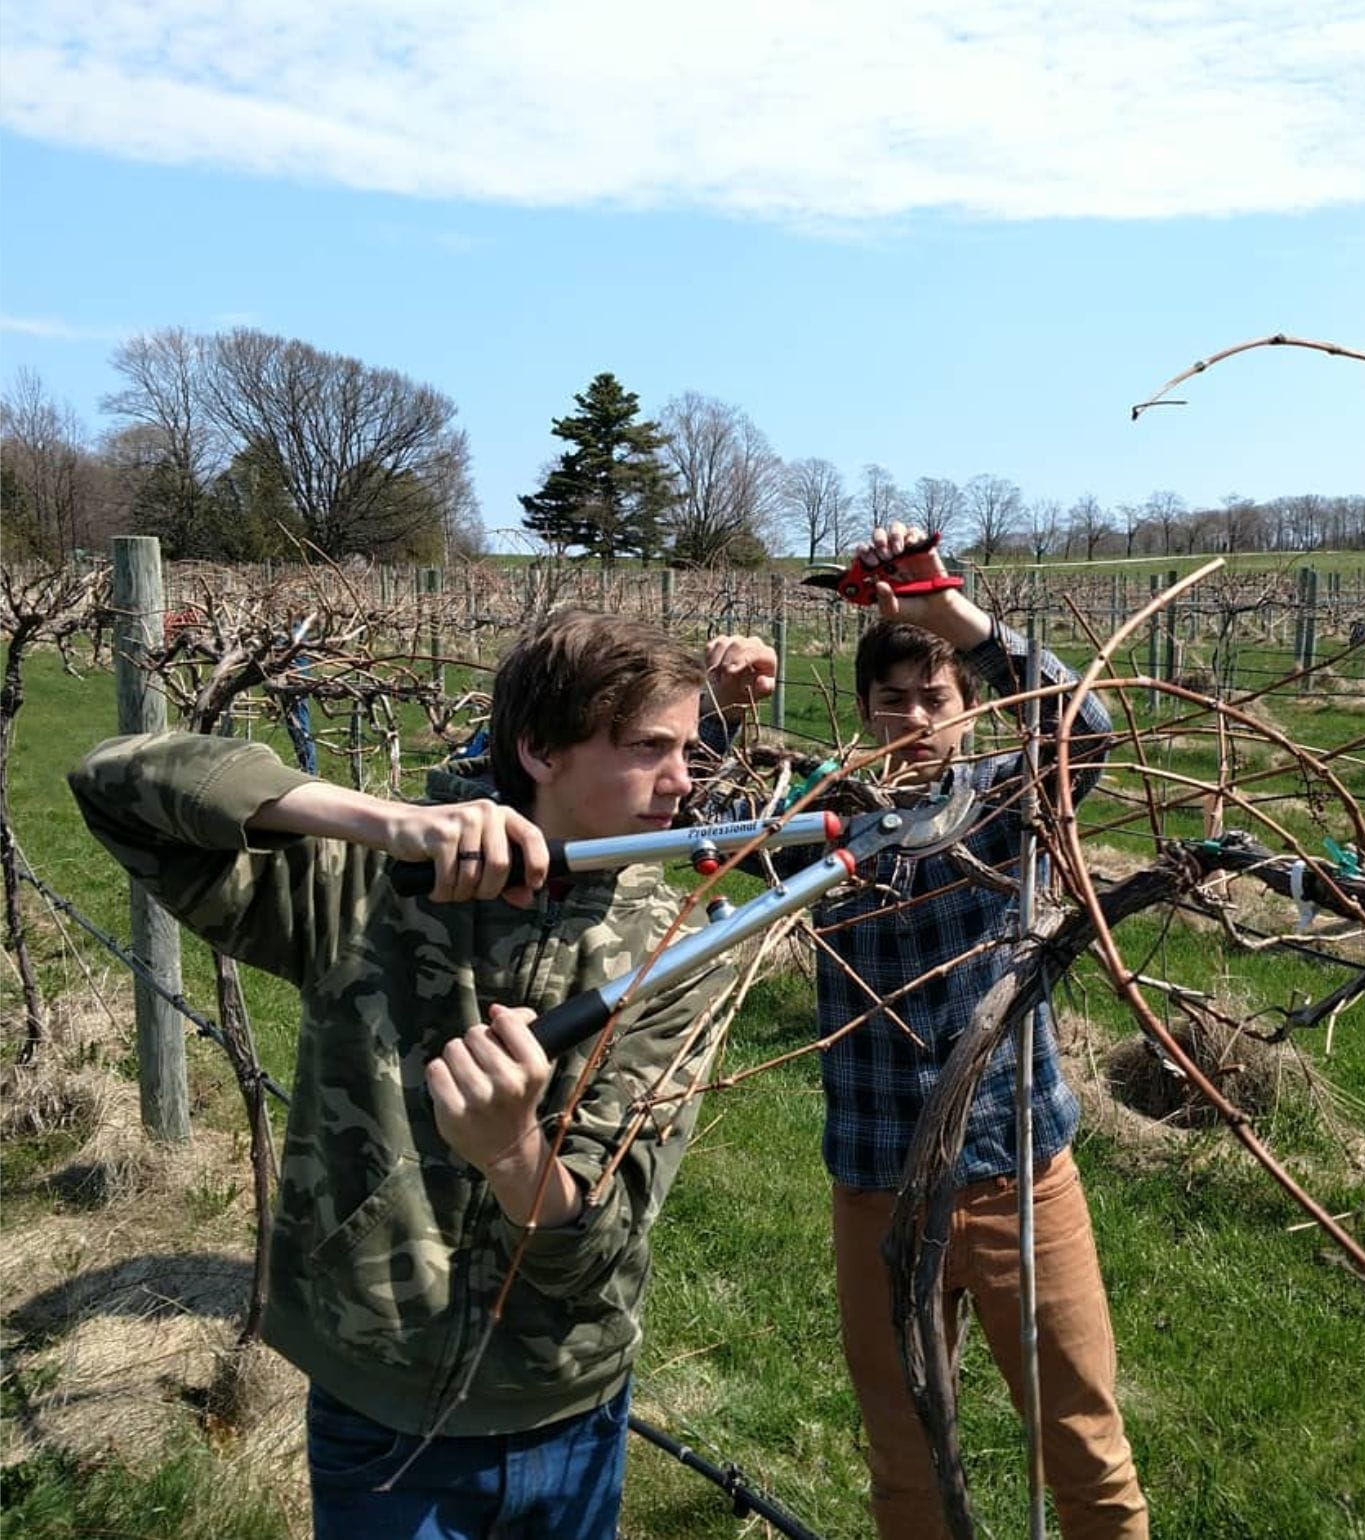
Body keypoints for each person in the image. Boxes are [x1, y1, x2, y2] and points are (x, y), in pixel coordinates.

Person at [69, 608, 777, 1540]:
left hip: (567, 1409)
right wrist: (382, 821)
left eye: (690, 746)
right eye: (651, 747)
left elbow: (595, 1244)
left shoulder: (685, 944)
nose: (686, 781)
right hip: (379, 1406)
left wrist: (509, 1150)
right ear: (537, 749)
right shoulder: (363, 889)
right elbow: (112, 783)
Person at [713, 525, 1148, 1538]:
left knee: (1082, 1445)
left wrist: (948, 613)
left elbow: (1086, 732)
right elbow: (692, 804)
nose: (913, 718)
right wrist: (719, 704)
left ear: (969, 708)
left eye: (935, 697)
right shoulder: (828, 822)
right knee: (905, 1459)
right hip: (875, 1186)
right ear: (864, 713)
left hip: (1017, 1176)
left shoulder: (1003, 800)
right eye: (891, 699)